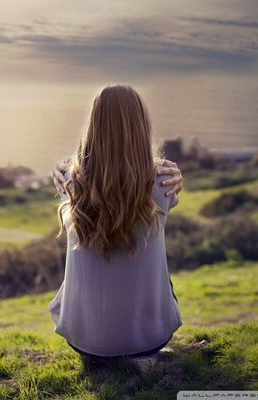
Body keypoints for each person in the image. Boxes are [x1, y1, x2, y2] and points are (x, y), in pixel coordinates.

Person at [48, 84, 184, 366]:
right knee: (163, 277)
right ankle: (140, 347)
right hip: (149, 342)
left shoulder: (70, 182)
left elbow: (70, 169)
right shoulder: (163, 182)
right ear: (141, 127)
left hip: (84, 343)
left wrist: (62, 169)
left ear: (92, 127)